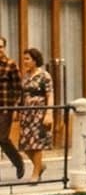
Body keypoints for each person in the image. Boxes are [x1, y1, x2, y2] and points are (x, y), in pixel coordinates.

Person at [19, 47, 53, 182]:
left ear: (35, 60)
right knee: (25, 145)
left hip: (39, 112)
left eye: (27, 59)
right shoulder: (26, 75)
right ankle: (40, 165)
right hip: (27, 112)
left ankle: (35, 173)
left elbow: (50, 95)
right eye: (24, 59)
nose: (25, 61)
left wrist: (49, 113)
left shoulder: (44, 76)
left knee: (36, 143)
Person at [0, 36, 24, 179]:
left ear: (4, 48)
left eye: (1, 47)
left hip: (5, 108)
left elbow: (18, 89)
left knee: (2, 138)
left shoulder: (10, 64)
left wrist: (16, 109)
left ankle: (18, 162)